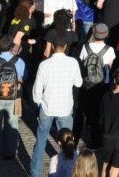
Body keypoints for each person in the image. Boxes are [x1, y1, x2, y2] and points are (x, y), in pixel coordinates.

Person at [31, 33, 83, 177]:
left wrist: (39, 103)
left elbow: (37, 89)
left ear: (52, 46)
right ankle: (67, 171)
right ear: (65, 46)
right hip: (65, 107)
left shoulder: (44, 64)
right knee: (67, 143)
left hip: (47, 107)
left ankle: (35, 172)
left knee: (41, 141)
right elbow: (78, 83)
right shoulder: (73, 62)